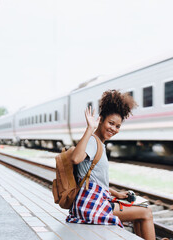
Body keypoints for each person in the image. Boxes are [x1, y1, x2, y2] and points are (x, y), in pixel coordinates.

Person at [66, 90, 155, 240]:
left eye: (117, 126)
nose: (113, 129)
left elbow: (94, 182)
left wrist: (117, 194)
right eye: (111, 123)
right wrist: (90, 128)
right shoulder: (93, 141)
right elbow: (75, 159)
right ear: (101, 120)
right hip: (91, 206)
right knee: (146, 213)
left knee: (140, 213)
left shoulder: (99, 144)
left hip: (90, 203)